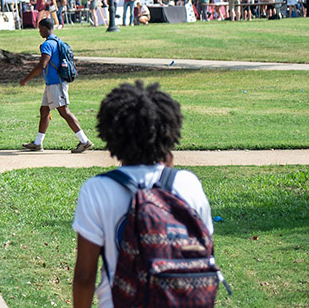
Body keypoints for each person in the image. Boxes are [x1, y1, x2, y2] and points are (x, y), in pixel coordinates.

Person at [71, 81, 214, 308]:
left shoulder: (97, 190)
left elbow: (84, 277)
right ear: (168, 133)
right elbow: (203, 254)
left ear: (110, 134)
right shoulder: (188, 184)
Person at [20, 18, 93, 153]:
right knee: (44, 111)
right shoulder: (58, 41)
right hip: (52, 84)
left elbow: (42, 65)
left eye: (40, 28)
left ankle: (84, 141)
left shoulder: (47, 44)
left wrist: (26, 79)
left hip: (56, 84)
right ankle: (38, 143)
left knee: (64, 111)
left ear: (44, 28)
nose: (39, 31)